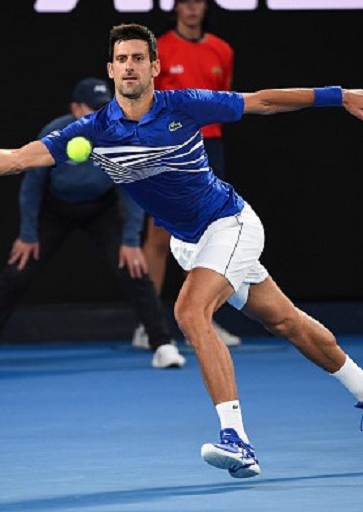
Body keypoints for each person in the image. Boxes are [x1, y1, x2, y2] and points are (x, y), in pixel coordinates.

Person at [0, 23, 363, 478]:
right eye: (121, 59)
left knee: (189, 310)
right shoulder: (94, 131)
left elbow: (262, 101)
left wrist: (337, 96)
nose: (129, 66)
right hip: (191, 244)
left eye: (139, 58)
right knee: (286, 322)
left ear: (154, 67)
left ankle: (238, 439)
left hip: (229, 224)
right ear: (111, 69)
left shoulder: (184, 105)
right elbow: (15, 159)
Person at [0, 77, 186, 371]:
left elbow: (130, 189)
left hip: (101, 209)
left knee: (133, 268)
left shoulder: (119, 132)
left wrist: (131, 240)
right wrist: (28, 234)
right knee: (18, 271)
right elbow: (31, 187)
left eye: (105, 107)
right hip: (55, 209)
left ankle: (163, 344)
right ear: (75, 108)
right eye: (92, 108)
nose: (100, 113)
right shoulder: (54, 133)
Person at [134, 0, 240, 349]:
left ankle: (204, 322)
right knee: (159, 236)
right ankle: (148, 325)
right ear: (176, 7)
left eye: (198, 2)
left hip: (211, 147)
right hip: (169, 148)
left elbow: (224, 101)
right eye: (186, 2)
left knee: (207, 238)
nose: (192, 8)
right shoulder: (159, 49)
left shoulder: (222, 50)